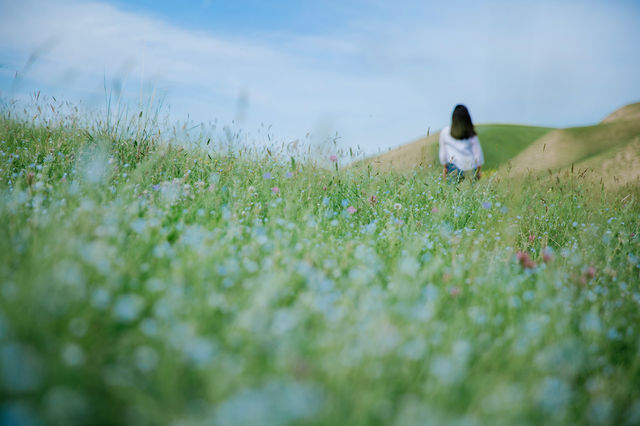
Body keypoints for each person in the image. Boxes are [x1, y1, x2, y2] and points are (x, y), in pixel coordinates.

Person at [439, 104, 484, 182]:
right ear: (467, 118)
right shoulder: (471, 133)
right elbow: (478, 154)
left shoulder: (445, 132)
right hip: (471, 167)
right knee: (471, 193)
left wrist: (445, 168)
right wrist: (479, 171)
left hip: (453, 168)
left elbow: (443, 154)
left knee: (452, 192)